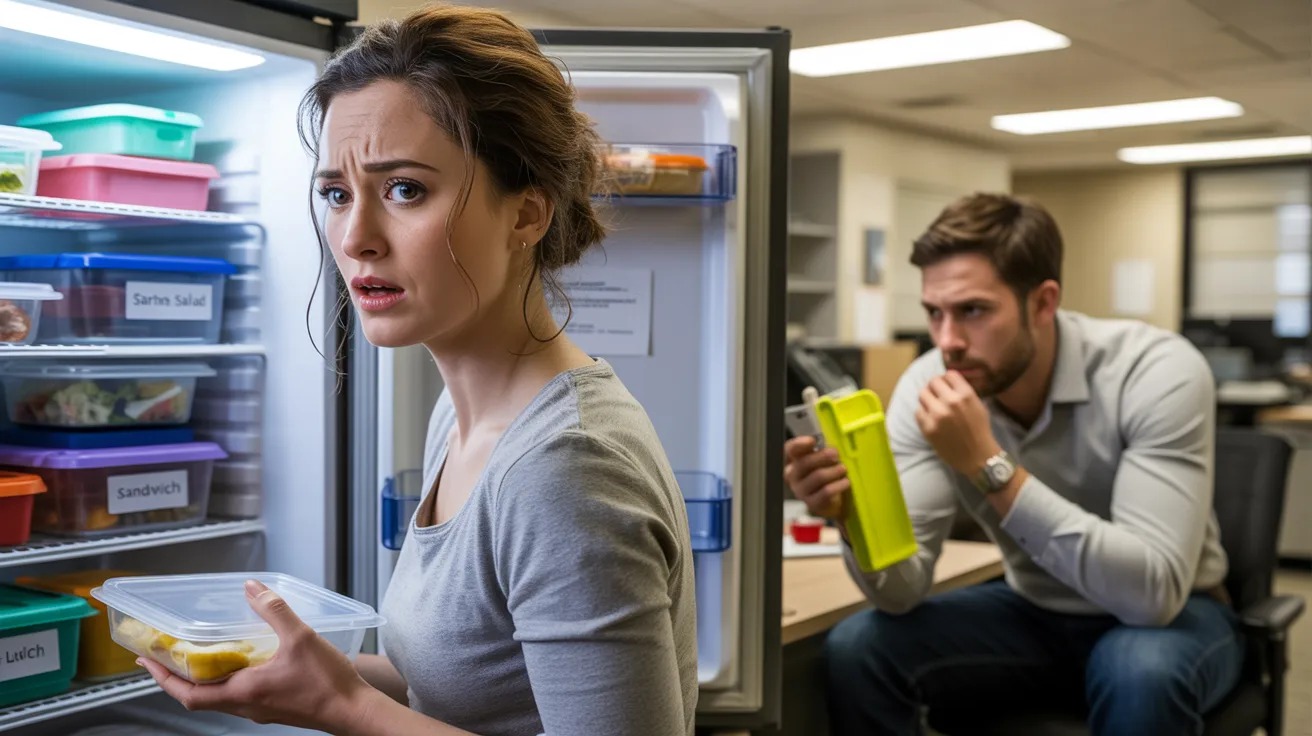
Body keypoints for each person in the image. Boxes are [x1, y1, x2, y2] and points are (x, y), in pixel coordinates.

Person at [138, 5, 698, 735]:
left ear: (527, 215)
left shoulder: (565, 467)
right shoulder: (466, 418)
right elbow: (467, 685)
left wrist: (345, 709)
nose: (356, 237)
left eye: (404, 188)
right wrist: (296, 669)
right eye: (337, 193)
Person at [784, 193, 1242, 736]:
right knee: (860, 646)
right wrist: (852, 518)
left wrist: (988, 464)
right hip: (1032, 612)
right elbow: (901, 591)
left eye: (973, 311)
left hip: (1175, 616)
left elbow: (1152, 596)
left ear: (1044, 303)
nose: (947, 341)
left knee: (1136, 670)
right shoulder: (927, 386)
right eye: (934, 313)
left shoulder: (1156, 369)